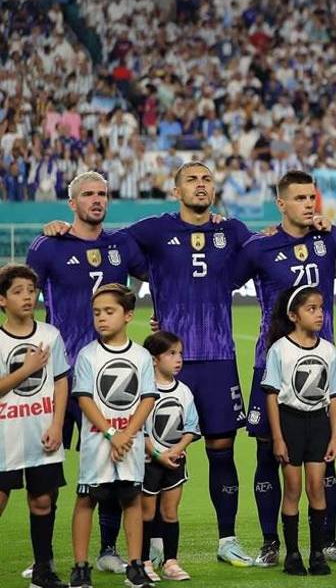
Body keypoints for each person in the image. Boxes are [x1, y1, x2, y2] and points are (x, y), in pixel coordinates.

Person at [113, 162, 256, 566]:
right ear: (176, 191)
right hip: (169, 361)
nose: (200, 185)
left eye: (206, 179)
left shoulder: (232, 231)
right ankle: (158, 542)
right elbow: (109, 243)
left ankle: (227, 539)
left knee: (221, 448)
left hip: (218, 357)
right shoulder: (156, 229)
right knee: (159, 451)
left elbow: (267, 250)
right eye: (191, 180)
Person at [232, 170, 336, 567]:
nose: (308, 204)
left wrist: (334, 228)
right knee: (268, 454)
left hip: (321, 367)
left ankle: (328, 539)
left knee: (325, 456)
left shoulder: (329, 239)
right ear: (281, 204)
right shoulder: (260, 247)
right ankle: (271, 542)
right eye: (300, 198)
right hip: (271, 364)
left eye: (311, 197)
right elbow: (217, 282)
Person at [27, 171, 148, 576]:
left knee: (113, 463)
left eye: (102, 194)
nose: (97, 200)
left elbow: (162, 272)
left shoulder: (121, 244)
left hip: (109, 376)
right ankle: (43, 557)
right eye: (88, 194)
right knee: (47, 467)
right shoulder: (48, 246)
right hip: (59, 374)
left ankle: (108, 549)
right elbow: (22, 298)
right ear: (71, 203)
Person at [70, 284, 157, 588]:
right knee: (86, 499)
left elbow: (147, 398)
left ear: (128, 315)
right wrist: (111, 434)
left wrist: (126, 435)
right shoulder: (88, 355)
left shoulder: (142, 356)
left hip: (129, 443)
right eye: (97, 313)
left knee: (131, 499)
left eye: (109, 311)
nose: (102, 318)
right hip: (97, 443)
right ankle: (81, 568)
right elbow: (84, 398)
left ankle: (135, 566)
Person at [262, 285, 336, 577]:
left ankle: (317, 553)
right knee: (292, 489)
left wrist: (334, 436)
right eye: (311, 309)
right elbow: (272, 396)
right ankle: (292, 554)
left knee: (316, 487)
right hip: (291, 423)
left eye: (321, 308)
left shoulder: (328, 350)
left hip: (318, 425)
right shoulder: (280, 350)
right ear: (293, 315)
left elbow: (334, 397)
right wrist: (278, 438)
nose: (319, 314)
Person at [0, 264, 69, 588]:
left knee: (43, 501)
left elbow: (61, 382)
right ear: (2, 300)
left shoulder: (49, 335)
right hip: (5, 436)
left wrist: (57, 425)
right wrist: (26, 369)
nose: (27, 297)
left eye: (31, 290)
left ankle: (43, 571)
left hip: (42, 433)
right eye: (18, 291)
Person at [139, 331, 199, 582]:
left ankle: (171, 562)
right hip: (149, 463)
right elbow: (140, 430)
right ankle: (143, 561)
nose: (178, 359)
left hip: (175, 462)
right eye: (171, 353)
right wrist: (156, 454)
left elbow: (191, 427)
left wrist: (176, 450)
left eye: (180, 353)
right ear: (154, 359)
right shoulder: (144, 391)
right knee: (146, 513)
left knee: (170, 511)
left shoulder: (184, 391)